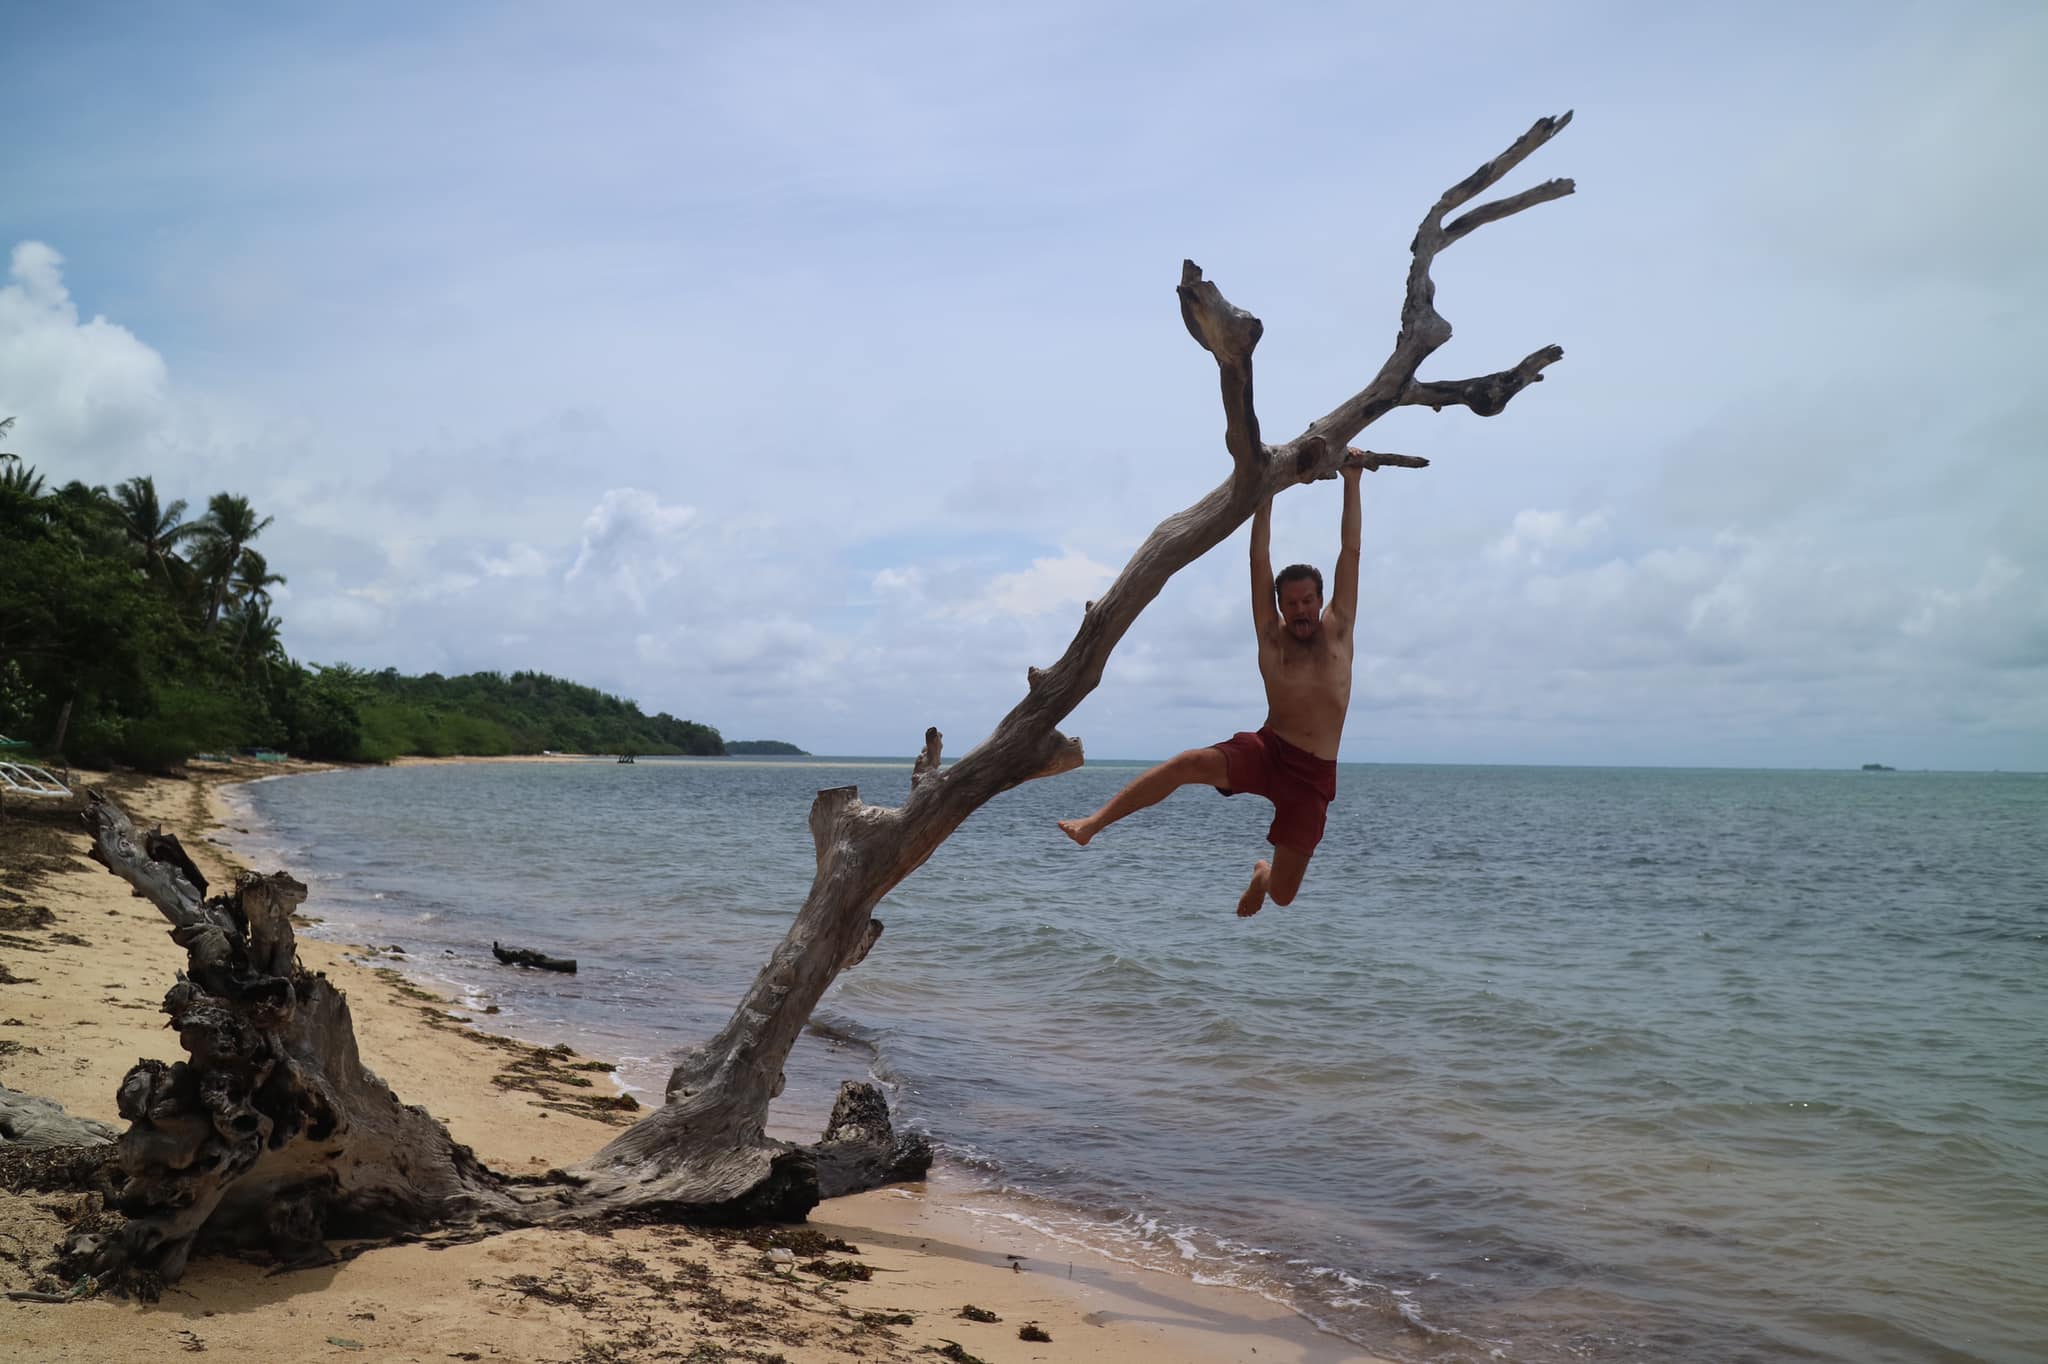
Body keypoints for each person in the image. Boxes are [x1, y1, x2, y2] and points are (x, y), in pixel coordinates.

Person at [1058, 453, 1364, 917]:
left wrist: (1352, 481)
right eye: (1291, 604)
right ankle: (1093, 825)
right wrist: (1265, 494)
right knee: (1187, 763)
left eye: (1308, 601)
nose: (1300, 610)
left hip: (1313, 777)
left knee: (1282, 895)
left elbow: (1351, 551)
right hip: (1269, 749)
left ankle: (1261, 874)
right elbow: (1258, 557)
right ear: (1279, 608)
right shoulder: (1270, 636)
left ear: (1322, 602)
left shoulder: (1338, 631)